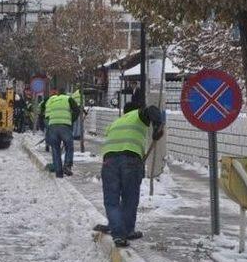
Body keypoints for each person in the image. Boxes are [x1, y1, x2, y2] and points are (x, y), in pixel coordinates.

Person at [94, 101, 164, 248]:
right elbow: (152, 109)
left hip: (109, 161)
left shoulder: (116, 122)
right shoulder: (137, 115)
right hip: (130, 160)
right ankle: (123, 232)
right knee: (130, 198)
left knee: (111, 200)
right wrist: (158, 125)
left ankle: (120, 230)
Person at [43, 88, 79, 178]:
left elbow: (44, 109)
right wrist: (71, 119)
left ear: (58, 93)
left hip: (52, 126)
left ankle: (58, 172)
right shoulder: (68, 99)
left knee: (55, 149)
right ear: (65, 93)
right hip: (65, 126)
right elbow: (77, 110)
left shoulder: (52, 100)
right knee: (69, 146)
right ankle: (67, 165)